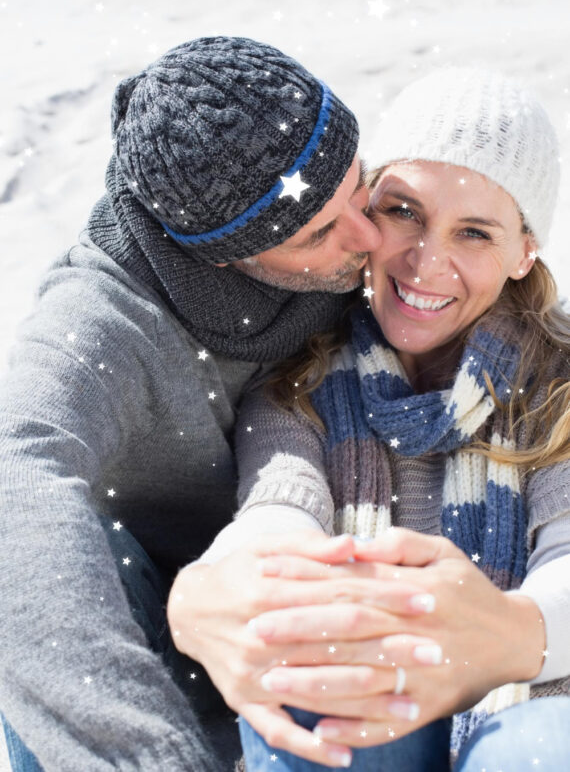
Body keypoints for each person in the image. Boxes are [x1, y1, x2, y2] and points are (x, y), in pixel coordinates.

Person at [0, 35, 385, 771]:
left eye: (359, 184)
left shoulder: (353, 214)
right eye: (319, 230)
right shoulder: (99, 317)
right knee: (40, 564)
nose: (369, 238)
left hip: (321, 583)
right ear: (220, 254)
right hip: (157, 638)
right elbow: (14, 471)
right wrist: (142, 753)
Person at [190, 67, 570, 770]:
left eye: (475, 233)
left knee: (537, 747)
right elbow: (278, 512)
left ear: (525, 252)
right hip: (380, 708)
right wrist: (234, 579)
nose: (426, 262)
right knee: (322, 684)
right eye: (404, 212)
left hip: (537, 707)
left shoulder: (559, 386)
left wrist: (502, 631)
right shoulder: (299, 379)